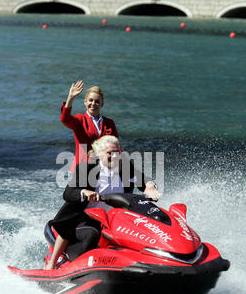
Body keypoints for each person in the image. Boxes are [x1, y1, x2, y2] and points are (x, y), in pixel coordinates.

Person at [44, 135, 160, 270]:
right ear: (99, 154)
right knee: (91, 234)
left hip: (116, 219)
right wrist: (84, 193)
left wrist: (150, 186)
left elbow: (144, 180)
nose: (115, 156)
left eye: (117, 153)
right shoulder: (86, 169)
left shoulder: (125, 168)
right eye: (110, 153)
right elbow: (68, 193)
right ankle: (53, 262)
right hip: (85, 217)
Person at [60, 80, 119, 172]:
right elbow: (65, 119)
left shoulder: (109, 123)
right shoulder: (80, 120)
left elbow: (116, 147)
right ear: (85, 102)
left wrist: (121, 164)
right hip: (83, 170)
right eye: (90, 100)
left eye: (97, 101)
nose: (93, 104)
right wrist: (70, 98)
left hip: (105, 169)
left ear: (102, 104)